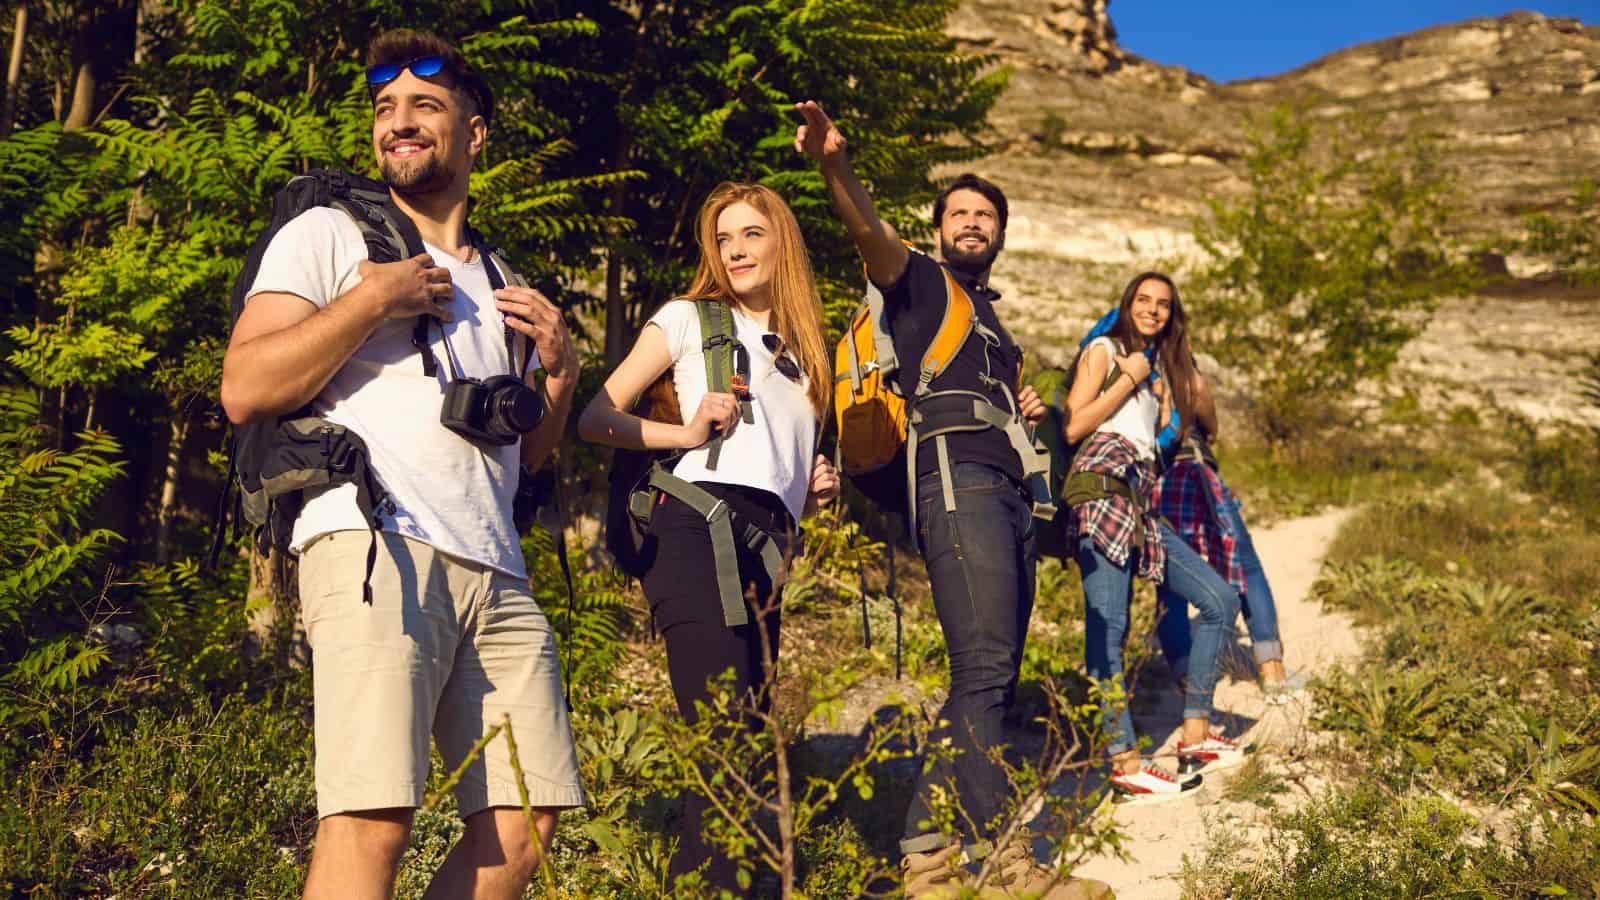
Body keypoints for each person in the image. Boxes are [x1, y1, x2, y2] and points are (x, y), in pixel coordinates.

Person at [220, 30, 583, 899]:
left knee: (525, 825)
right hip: (375, 544)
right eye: (386, 109)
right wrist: (374, 297)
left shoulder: (502, 279)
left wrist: (562, 375)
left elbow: (527, 458)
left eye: (424, 106)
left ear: (474, 130)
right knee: (373, 818)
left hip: (496, 566)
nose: (400, 124)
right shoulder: (328, 232)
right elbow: (245, 385)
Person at [796, 101, 1109, 900]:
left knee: (992, 675)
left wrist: (1020, 413)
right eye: (960, 213)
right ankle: (972, 863)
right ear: (938, 230)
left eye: (986, 215)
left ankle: (959, 862)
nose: (973, 223)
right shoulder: (920, 282)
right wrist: (836, 166)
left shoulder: (990, 320)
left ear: (1000, 234)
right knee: (982, 669)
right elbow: (870, 236)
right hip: (956, 485)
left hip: (1001, 493)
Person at [578, 182, 840, 893]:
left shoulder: (807, 356)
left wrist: (811, 490)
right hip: (695, 527)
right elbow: (596, 416)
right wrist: (687, 431)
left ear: (782, 241)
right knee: (723, 735)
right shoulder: (690, 318)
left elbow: (775, 466)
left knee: (748, 738)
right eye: (724, 239)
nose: (736, 250)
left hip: (768, 547)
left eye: (751, 234)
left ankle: (724, 883)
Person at [1063, 271, 1245, 804]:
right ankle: (1124, 764)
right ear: (1127, 304)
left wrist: (1162, 406)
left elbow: (1156, 440)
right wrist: (1128, 379)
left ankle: (1194, 736)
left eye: (1163, 304)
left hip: (1137, 502)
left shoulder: (1153, 369)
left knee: (1218, 599)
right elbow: (1074, 426)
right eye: (1143, 300)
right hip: (1100, 491)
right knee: (1109, 629)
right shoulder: (1105, 349)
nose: (1153, 309)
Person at [1153, 377, 1307, 705]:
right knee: (1245, 566)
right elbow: (1208, 419)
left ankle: (1185, 675)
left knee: (1169, 577)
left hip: (1155, 476)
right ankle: (1273, 673)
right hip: (1194, 468)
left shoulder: (1127, 359)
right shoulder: (1179, 364)